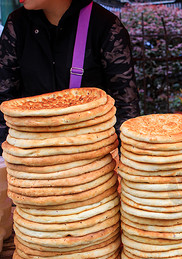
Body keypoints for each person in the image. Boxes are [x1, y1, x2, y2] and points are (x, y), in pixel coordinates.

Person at [0, 0, 140, 154]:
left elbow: (126, 105)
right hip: (32, 157)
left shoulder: (105, 26)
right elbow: (3, 98)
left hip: (92, 157)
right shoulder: (17, 24)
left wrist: (121, 161)